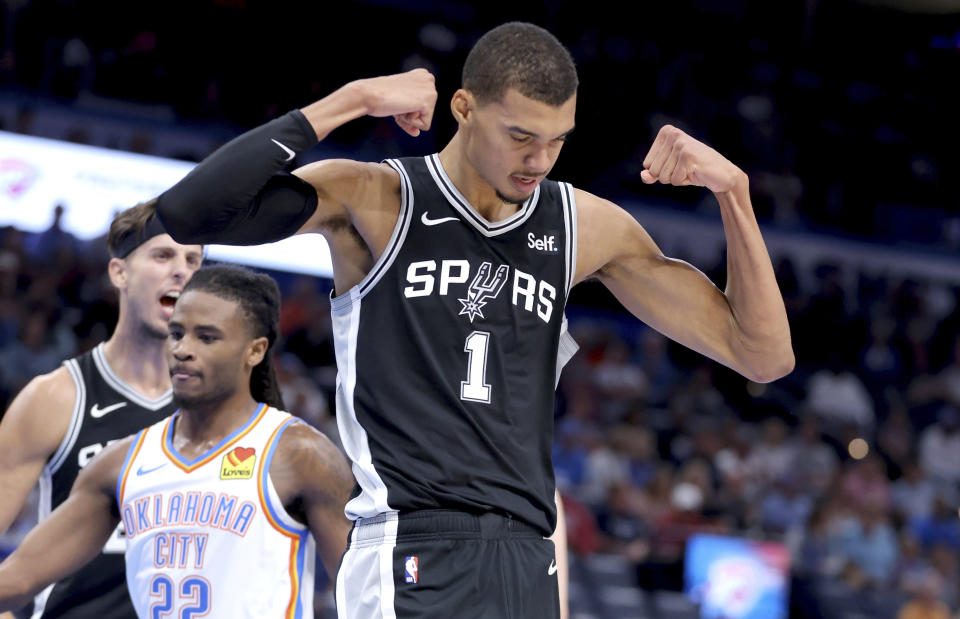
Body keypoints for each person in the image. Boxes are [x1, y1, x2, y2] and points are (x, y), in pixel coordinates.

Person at [155, 21, 794, 617]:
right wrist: (351, 100)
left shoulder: (584, 226)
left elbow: (763, 356)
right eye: (520, 136)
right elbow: (191, 213)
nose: (540, 159)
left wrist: (733, 194)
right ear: (464, 109)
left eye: (557, 140)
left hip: (527, 557)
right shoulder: (378, 197)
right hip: (412, 540)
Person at [0, 265, 355, 617]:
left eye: (207, 337)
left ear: (255, 350)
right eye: (177, 333)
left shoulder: (300, 455)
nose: (183, 349)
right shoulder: (120, 463)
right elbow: (16, 581)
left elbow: (365, 595)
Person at [0, 204, 202, 619]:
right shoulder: (56, 397)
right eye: (163, 256)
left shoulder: (223, 406)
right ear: (119, 273)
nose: (181, 270)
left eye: (193, 259)